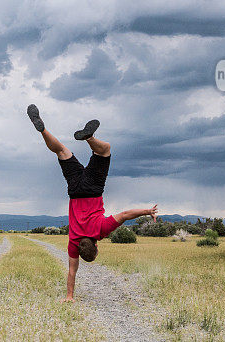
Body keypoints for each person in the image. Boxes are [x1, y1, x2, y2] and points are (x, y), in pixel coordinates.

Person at [26, 104, 158, 302]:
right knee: (61, 151)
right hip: (75, 190)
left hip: (94, 189)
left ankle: (89, 138)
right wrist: (69, 296)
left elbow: (124, 215)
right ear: (81, 249)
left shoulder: (100, 231)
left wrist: (148, 211)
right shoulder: (73, 241)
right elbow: (72, 271)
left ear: (96, 247)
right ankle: (43, 130)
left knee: (105, 150)